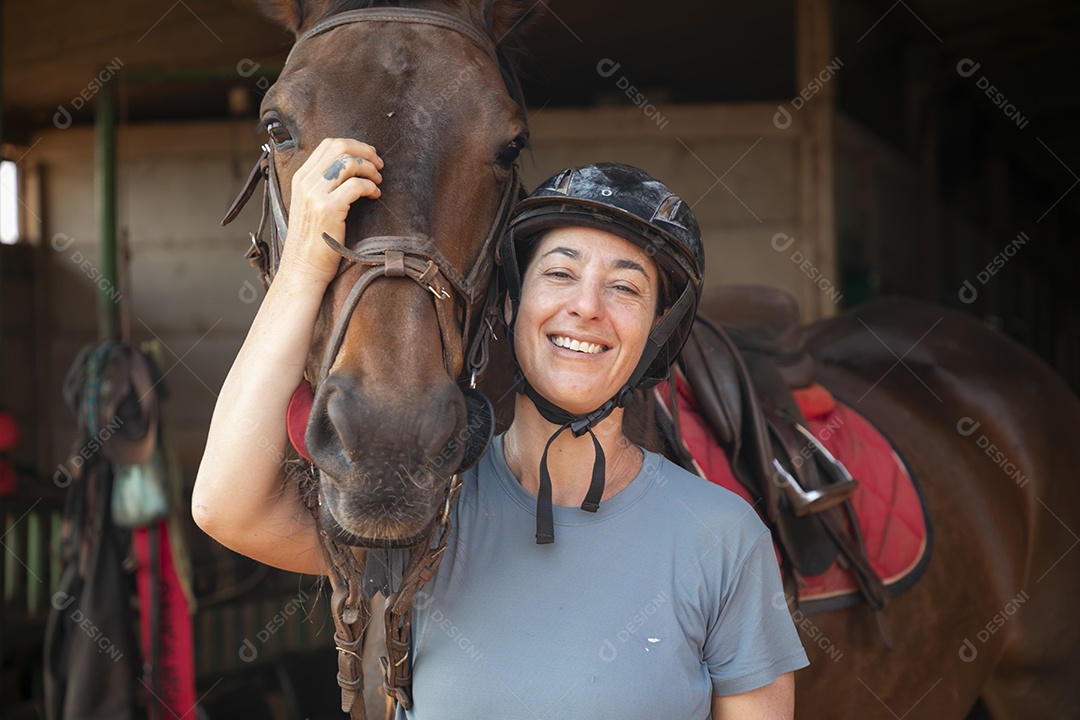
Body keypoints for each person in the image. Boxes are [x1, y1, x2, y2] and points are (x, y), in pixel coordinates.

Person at [193, 138, 809, 719]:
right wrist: (303, 264)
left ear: (657, 336)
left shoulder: (724, 540)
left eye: (624, 287)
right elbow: (228, 507)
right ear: (511, 306)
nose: (587, 307)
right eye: (560, 274)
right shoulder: (430, 506)